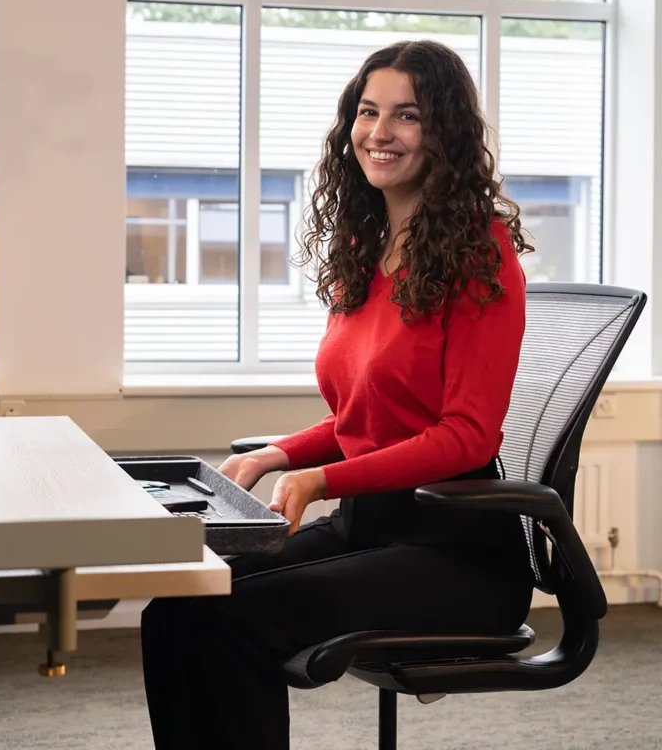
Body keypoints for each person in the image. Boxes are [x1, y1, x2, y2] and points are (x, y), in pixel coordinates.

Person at [141, 39, 536, 750]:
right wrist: (279, 453)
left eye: (406, 116)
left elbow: (467, 436)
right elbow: (369, 416)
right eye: (368, 111)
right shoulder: (367, 249)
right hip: (369, 529)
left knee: (227, 614)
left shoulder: (482, 252)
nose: (379, 133)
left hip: (454, 552)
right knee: (180, 598)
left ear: (442, 132)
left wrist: (321, 478)